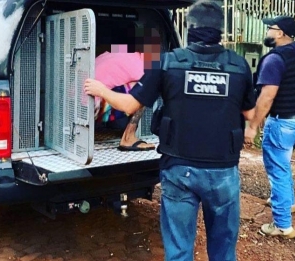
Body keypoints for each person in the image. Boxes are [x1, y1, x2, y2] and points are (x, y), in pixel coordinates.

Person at [85, 1, 255, 260]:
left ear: (188, 28)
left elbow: (130, 105)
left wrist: (101, 90)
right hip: (222, 171)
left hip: (179, 169)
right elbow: (251, 114)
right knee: (223, 250)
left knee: (178, 249)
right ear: (220, 30)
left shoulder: (167, 63)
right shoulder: (239, 66)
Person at [244, 16, 295, 238]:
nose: (267, 31)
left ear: (280, 33)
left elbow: (267, 96)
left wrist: (253, 126)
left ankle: (282, 224)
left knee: (277, 169)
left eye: (270, 28)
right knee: (283, 163)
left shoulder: (274, 59)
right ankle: (287, 203)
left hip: (283, 122)